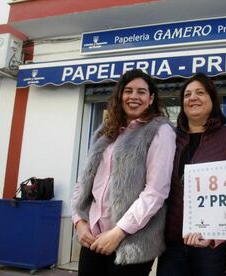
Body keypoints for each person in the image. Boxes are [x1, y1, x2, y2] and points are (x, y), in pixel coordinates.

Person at [71, 69, 176, 276]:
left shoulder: (160, 131)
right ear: (120, 96)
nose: (134, 97)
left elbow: (155, 191)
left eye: (141, 92)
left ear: (151, 98)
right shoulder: (104, 131)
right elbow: (84, 181)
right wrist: (79, 222)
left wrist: (118, 232)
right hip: (92, 237)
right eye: (128, 91)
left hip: (131, 242)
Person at [157, 73, 226, 276]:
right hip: (173, 245)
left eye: (200, 92)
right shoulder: (170, 138)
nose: (193, 98)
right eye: (187, 94)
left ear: (213, 100)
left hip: (213, 247)